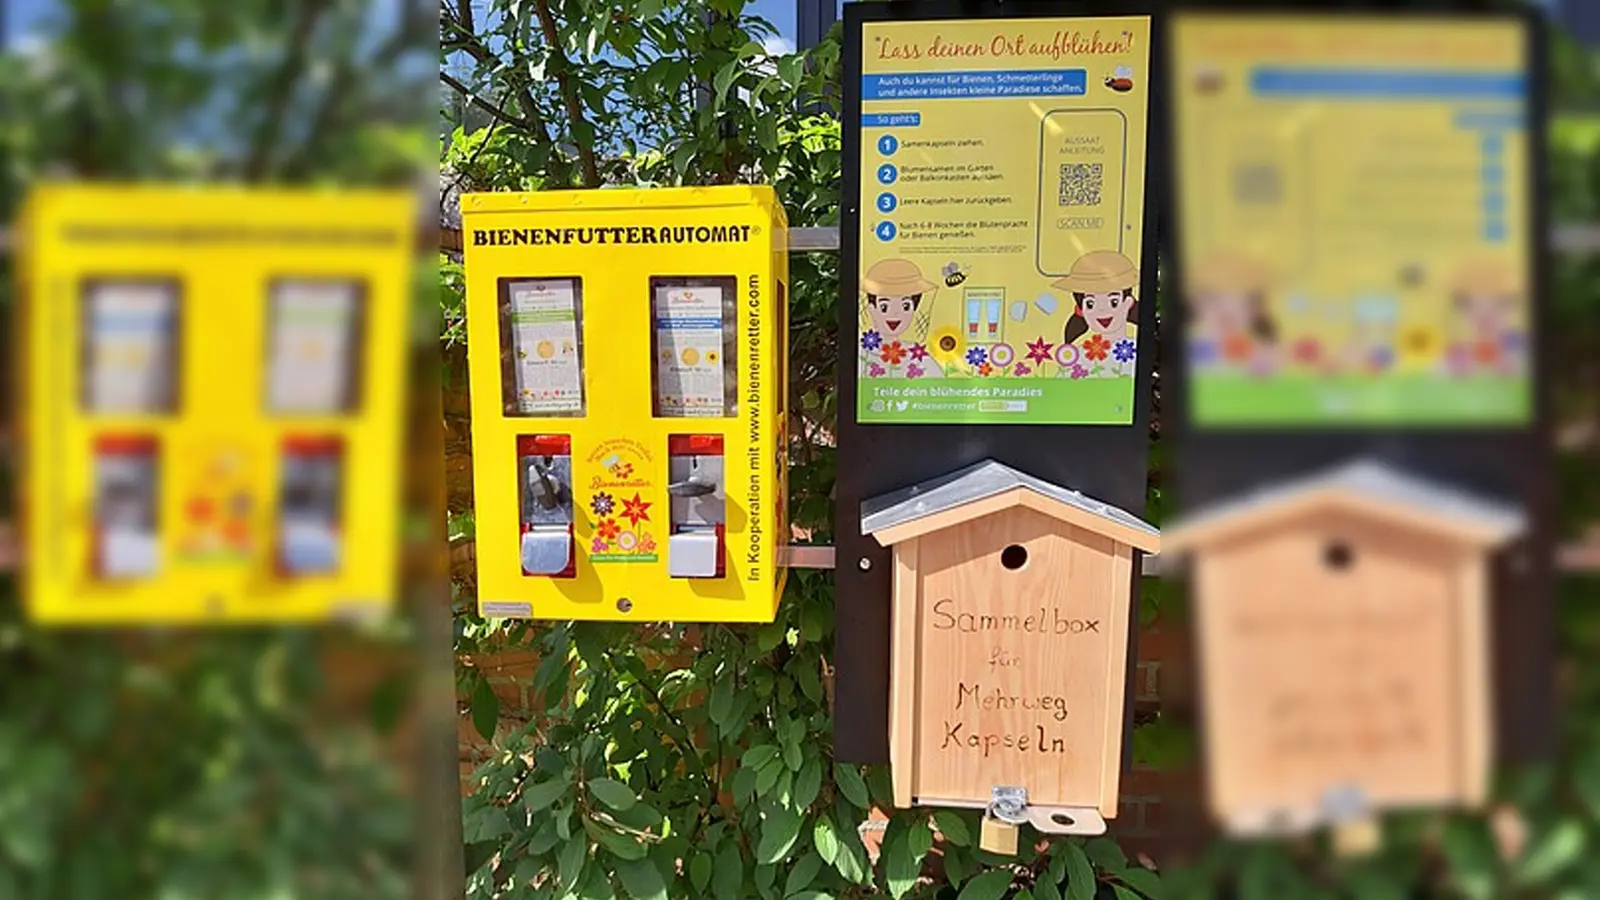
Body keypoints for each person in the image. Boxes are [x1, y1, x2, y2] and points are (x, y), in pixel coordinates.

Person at [858, 258, 943, 378]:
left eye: (905, 306)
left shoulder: (918, 356)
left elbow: (939, 387)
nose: (895, 313)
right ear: (872, 308)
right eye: (884, 306)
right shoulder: (861, 355)